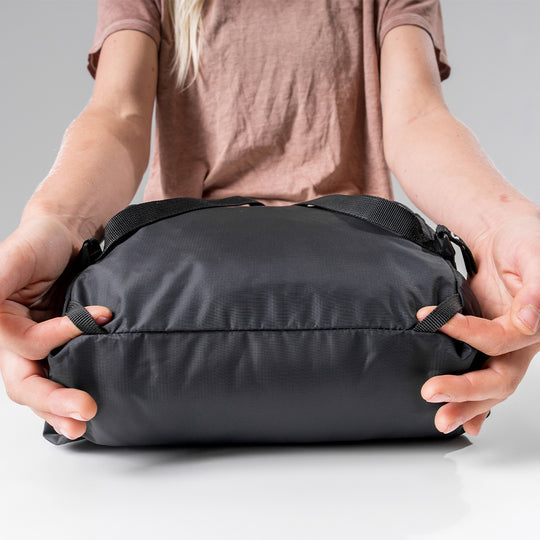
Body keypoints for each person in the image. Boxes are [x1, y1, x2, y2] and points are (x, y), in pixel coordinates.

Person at [0, 0, 539, 442]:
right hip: (196, 263)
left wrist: (500, 228)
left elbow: (417, 117)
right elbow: (117, 116)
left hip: (351, 267)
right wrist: (52, 225)